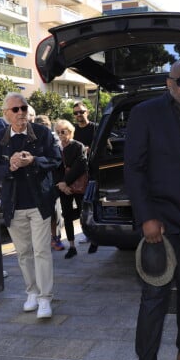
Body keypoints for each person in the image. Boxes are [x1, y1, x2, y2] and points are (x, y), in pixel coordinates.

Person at [124, 58, 180, 360]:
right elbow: (134, 170)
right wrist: (146, 216)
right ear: (169, 83)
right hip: (158, 221)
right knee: (155, 294)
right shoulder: (145, 114)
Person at [0, 92, 61, 319]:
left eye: (24, 108)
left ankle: (45, 298)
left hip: (40, 202)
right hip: (13, 204)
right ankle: (32, 293)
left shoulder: (42, 133)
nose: (21, 113)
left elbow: (56, 160)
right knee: (24, 253)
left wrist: (33, 161)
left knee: (41, 251)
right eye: (15, 110)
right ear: (6, 114)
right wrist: (10, 167)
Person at [54, 119, 87, 259]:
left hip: (76, 185)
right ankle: (72, 246)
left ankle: (91, 238)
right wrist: (61, 184)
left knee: (82, 212)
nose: (61, 134)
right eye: (58, 132)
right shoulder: (56, 148)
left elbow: (80, 166)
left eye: (63, 131)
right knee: (67, 215)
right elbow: (54, 168)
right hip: (63, 187)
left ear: (70, 132)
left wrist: (65, 182)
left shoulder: (78, 146)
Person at [34, 114, 65, 252]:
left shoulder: (54, 141)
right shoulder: (31, 142)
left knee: (53, 213)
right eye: (41, 126)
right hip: (37, 184)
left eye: (46, 126)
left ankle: (55, 238)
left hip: (53, 183)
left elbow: (58, 162)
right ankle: (44, 240)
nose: (44, 129)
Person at [72, 101, 98, 251]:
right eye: (76, 113)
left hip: (94, 169)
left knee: (94, 202)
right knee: (83, 204)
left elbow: (105, 144)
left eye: (81, 112)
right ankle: (86, 232)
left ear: (87, 112)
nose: (79, 115)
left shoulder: (95, 128)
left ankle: (96, 233)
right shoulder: (74, 130)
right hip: (79, 171)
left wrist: (90, 149)